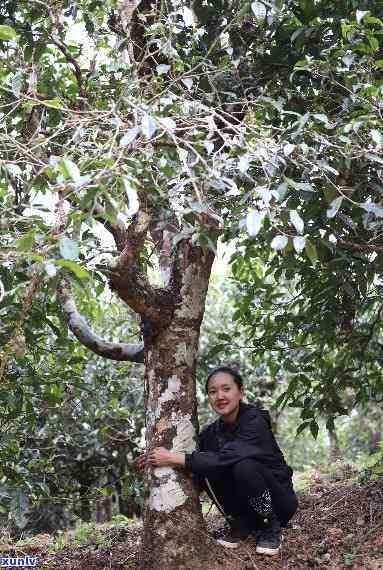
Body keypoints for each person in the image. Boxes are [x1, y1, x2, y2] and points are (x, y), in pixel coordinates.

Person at [137, 366, 298, 555]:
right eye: (213, 392)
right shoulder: (209, 434)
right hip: (244, 507)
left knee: (243, 466)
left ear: (240, 392)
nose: (220, 396)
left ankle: (270, 526)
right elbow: (200, 469)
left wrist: (172, 457)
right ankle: (241, 524)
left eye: (226, 389)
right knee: (203, 465)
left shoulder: (255, 421)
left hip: (280, 503)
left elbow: (226, 458)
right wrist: (155, 463)